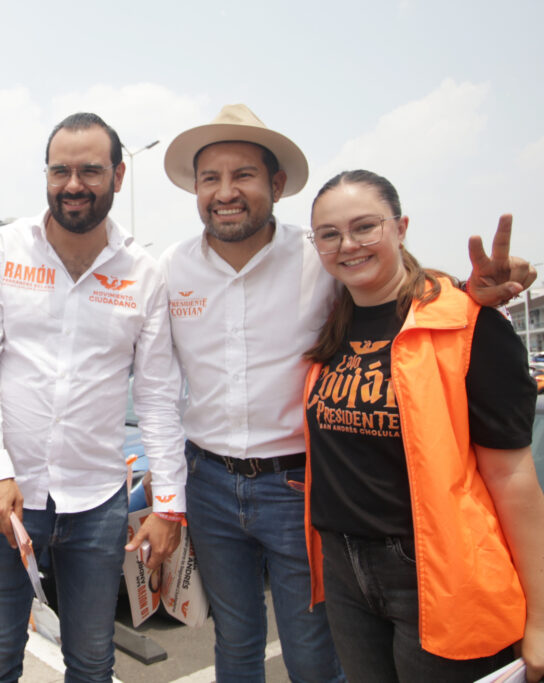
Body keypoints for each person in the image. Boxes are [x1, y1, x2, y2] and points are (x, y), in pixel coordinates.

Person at [159, 103, 538, 682]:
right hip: (208, 481)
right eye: (210, 177)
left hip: (300, 487)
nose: (225, 191)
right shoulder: (171, 269)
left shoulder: (320, 258)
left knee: (314, 654)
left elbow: (397, 288)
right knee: (234, 641)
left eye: (243, 175)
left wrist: (471, 294)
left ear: (276, 184)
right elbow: (158, 385)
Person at [0, 112, 185, 682]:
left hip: (98, 505)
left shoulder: (143, 273)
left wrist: (168, 505)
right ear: (46, 175)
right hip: (6, 502)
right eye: (60, 170)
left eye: (90, 170)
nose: (74, 184)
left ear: (119, 174)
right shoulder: (5, 250)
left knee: (91, 662)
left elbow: (157, 396)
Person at [302, 170, 543, 682]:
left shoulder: (468, 323)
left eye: (365, 226)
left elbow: (513, 478)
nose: (348, 245)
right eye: (329, 234)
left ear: (401, 226)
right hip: (344, 569)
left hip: (439, 571)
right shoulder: (330, 327)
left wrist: (541, 615)